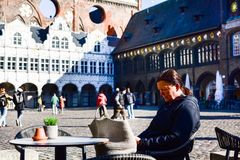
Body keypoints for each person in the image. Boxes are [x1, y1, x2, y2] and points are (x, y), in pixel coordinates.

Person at [136, 69, 200, 160]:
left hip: (167, 152)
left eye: (164, 90)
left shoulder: (187, 107)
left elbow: (176, 139)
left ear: (177, 87)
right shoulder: (168, 103)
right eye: (159, 90)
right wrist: (136, 139)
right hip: (153, 145)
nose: (161, 94)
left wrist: (143, 142)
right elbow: (152, 129)